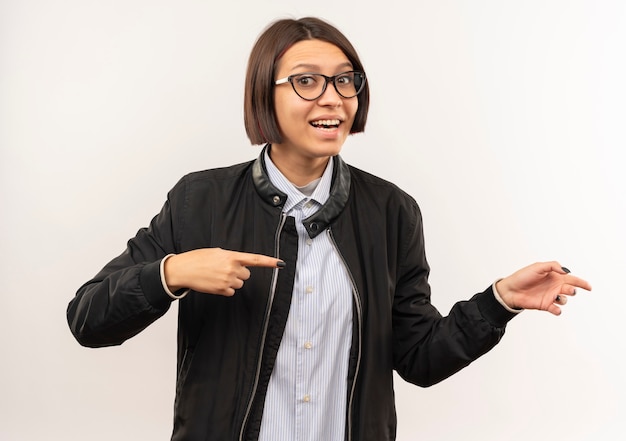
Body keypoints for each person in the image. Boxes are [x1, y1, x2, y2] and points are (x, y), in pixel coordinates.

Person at [66, 16, 592, 441]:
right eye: (306, 81)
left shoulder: (391, 211)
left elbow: (418, 358)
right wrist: (171, 272)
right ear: (264, 92)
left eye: (345, 80)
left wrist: (497, 302)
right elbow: (88, 320)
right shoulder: (199, 200)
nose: (333, 97)